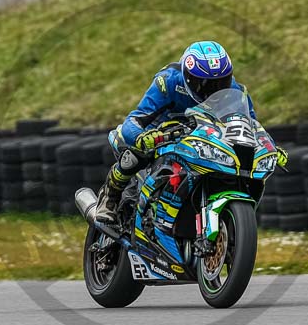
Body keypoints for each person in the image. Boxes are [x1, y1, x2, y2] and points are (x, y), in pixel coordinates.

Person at [94, 40, 288, 224]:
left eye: (220, 83)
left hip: (202, 136)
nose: (212, 90)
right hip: (160, 133)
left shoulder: (236, 91)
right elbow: (136, 118)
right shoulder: (168, 81)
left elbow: (251, 125)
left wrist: (268, 147)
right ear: (187, 77)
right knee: (136, 153)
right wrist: (141, 137)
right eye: (203, 83)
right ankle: (110, 196)